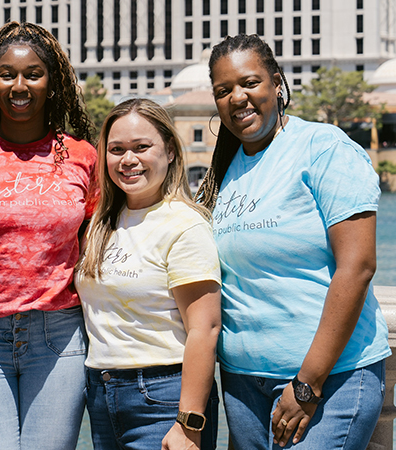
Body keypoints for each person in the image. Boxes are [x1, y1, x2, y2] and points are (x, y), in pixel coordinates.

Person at [197, 34, 391, 449]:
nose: (237, 98)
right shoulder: (224, 169)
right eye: (223, 90)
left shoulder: (323, 148)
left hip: (329, 380)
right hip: (243, 386)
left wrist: (308, 382)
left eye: (250, 83)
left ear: (277, 82)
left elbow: (358, 267)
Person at [0, 21, 97, 450]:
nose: (19, 85)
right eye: (7, 74)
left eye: (33, 74)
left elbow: (99, 241)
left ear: (52, 82)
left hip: (58, 335)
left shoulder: (82, 157)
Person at [75, 98, 221, 449]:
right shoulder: (100, 224)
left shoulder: (184, 224)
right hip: (102, 393)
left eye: (142, 147)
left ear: (169, 151)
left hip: (165, 396)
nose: (128, 159)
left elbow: (204, 328)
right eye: (116, 149)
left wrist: (189, 422)